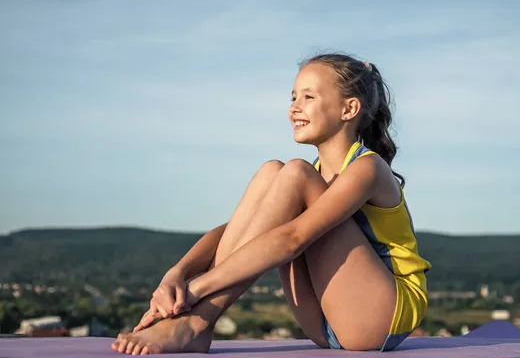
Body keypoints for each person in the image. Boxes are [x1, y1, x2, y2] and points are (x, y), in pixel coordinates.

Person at [111, 53, 432, 355]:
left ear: (349, 109)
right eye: (293, 97)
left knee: (293, 174)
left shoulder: (368, 168)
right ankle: (195, 324)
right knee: (272, 172)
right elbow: (233, 232)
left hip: (382, 318)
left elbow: (292, 239)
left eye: (308, 97)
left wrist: (194, 292)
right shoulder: (312, 178)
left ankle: (196, 323)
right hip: (325, 320)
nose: (294, 107)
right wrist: (176, 275)